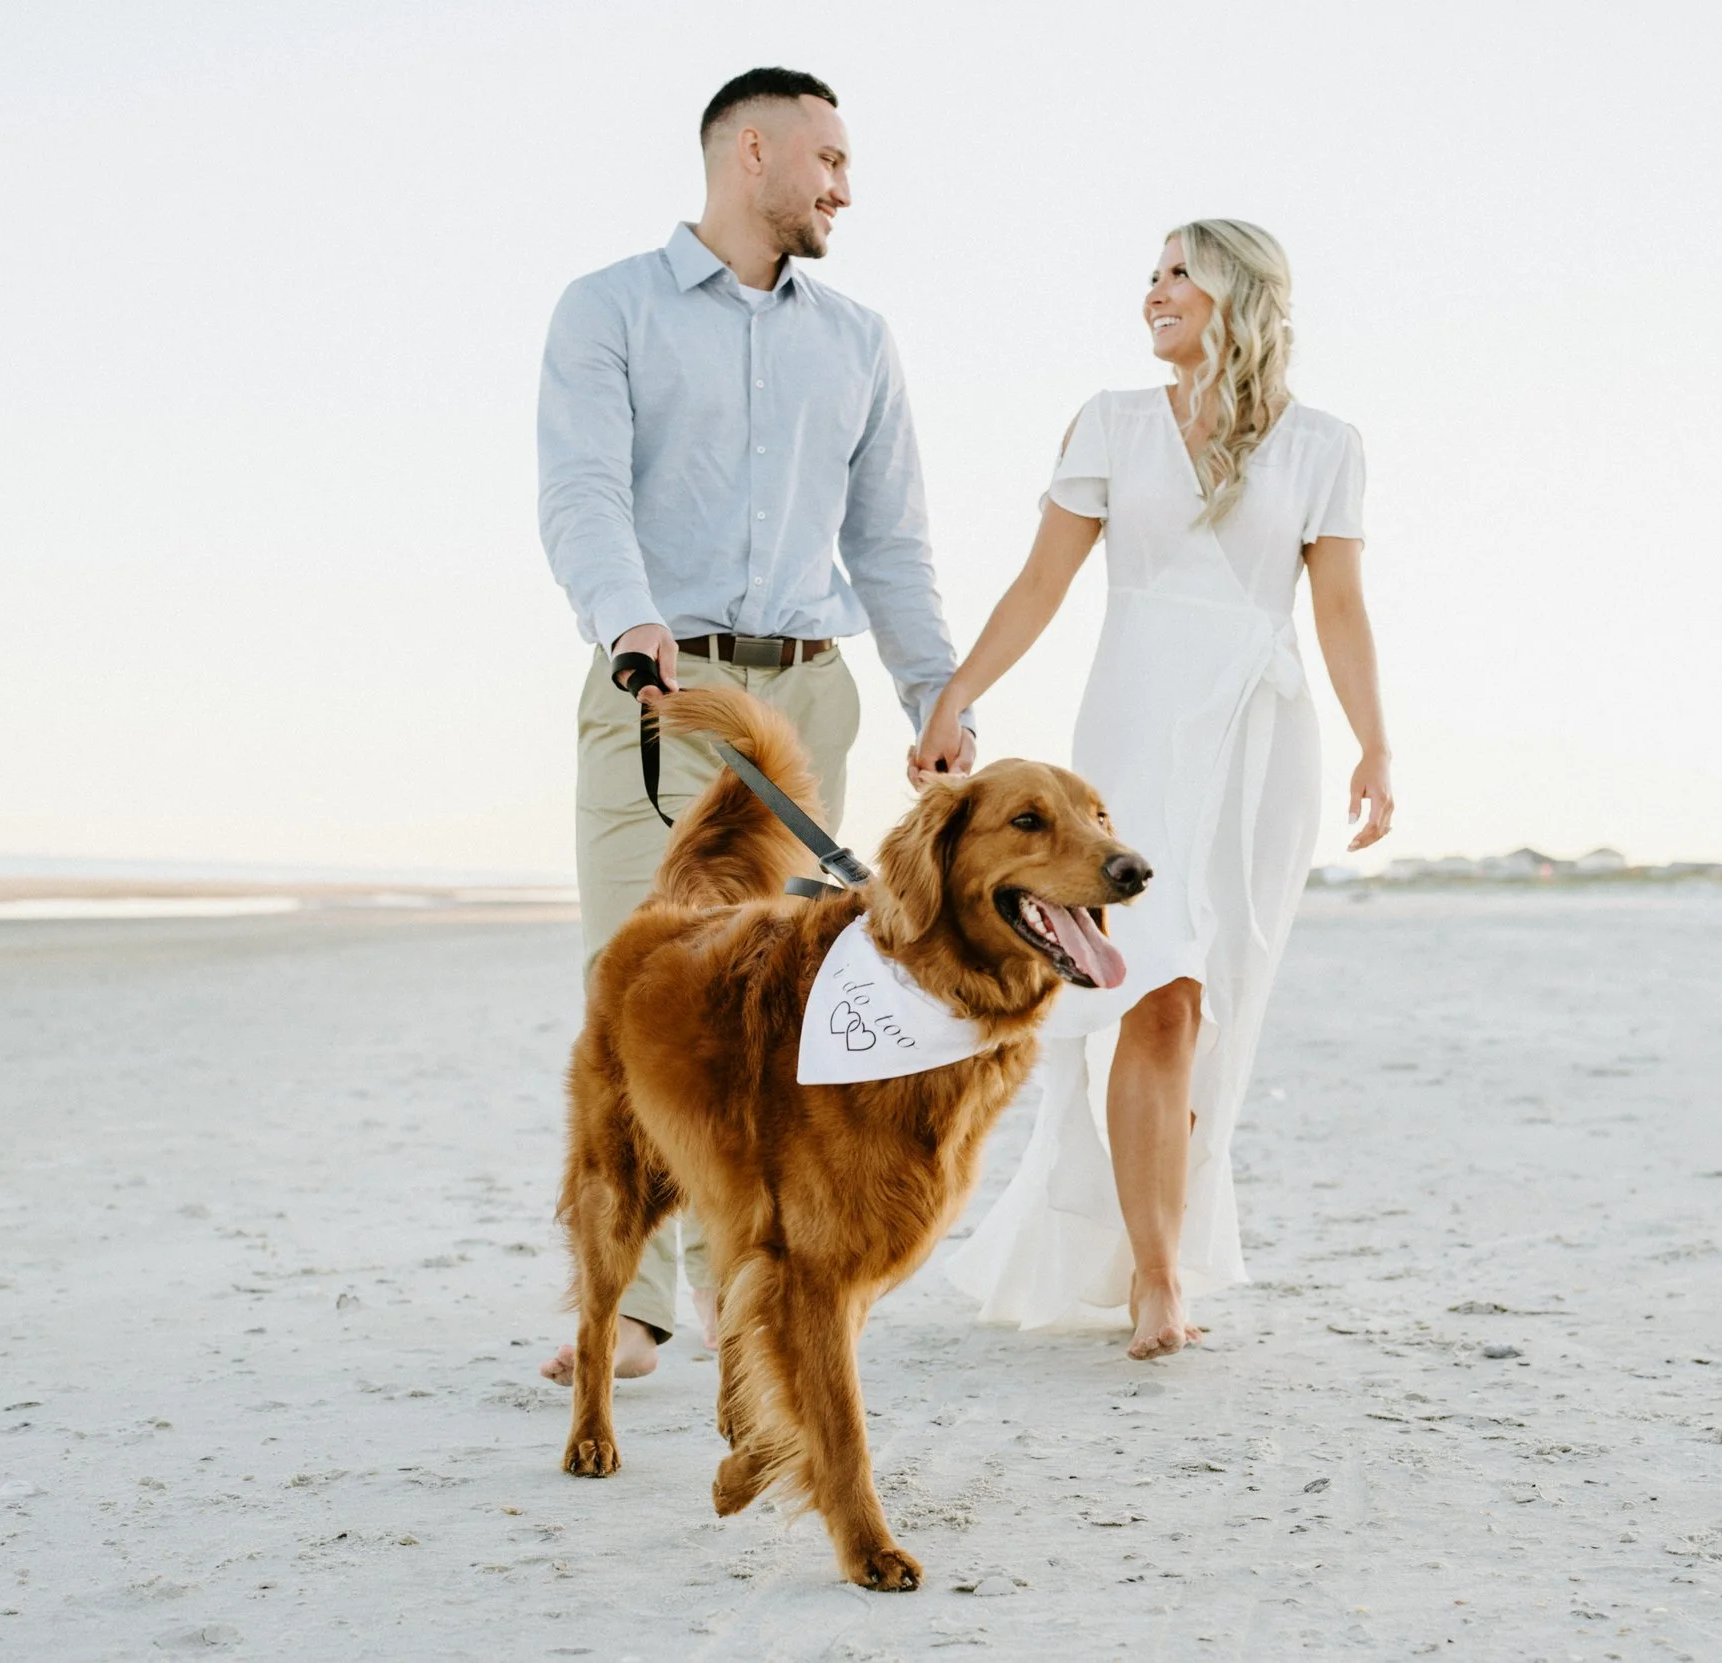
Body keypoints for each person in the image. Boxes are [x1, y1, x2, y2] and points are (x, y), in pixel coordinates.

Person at [536, 67, 972, 1384]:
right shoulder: (606, 309)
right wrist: (628, 621)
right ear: (755, 151)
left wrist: (934, 692)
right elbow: (581, 490)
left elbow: (891, 538)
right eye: (830, 158)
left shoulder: (857, 341)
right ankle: (637, 1301)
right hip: (658, 690)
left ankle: (747, 1284)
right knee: (643, 989)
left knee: (781, 1004)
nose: (846, 185)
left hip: (808, 698)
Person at [916, 220, 1393, 1359]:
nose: (1154, 292)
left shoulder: (1326, 444)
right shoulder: (1110, 426)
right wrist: (955, 697)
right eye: (1151, 275)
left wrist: (1377, 746)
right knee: (1150, 987)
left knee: (1206, 1008)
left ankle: (1159, 1248)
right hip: (1128, 739)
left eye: (1179, 272)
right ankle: (1158, 1279)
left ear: (1238, 292)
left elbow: (1336, 608)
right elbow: (1041, 581)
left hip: (1255, 748)